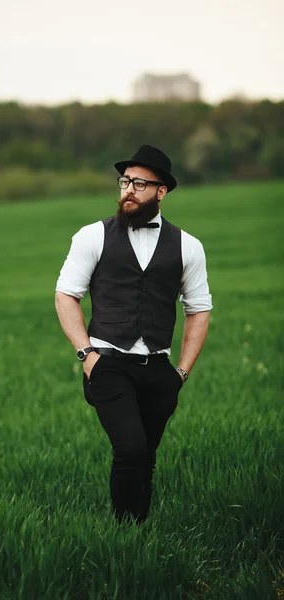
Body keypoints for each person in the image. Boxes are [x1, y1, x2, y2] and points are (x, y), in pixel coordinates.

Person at [55, 144, 212, 527]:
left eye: (140, 183)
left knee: (147, 457)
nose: (129, 189)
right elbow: (66, 296)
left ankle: (138, 534)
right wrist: (87, 356)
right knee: (130, 448)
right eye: (125, 180)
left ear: (162, 191)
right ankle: (124, 535)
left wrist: (182, 372)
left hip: (159, 369)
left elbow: (199, 309)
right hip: (107, 364)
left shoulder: (188, 246)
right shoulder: (92, 236)